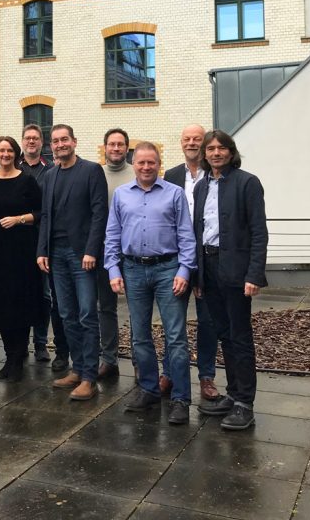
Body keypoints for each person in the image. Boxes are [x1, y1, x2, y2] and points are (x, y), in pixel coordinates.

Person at [106, 142, 196, 425]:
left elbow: (186, 235)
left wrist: (185, 270)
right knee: (140, 336)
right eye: (141, 162)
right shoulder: (121, 195)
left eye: (151, 162)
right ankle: (148, 389)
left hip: (168, 269)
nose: (146, 167)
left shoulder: (174, 193)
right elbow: (112, 234)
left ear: (159, 164)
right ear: (134, 164)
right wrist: (113, 269)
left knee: (175, 336)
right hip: (133, 269)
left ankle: (180, 398)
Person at [194, 130, 268, 430]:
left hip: (236, 270)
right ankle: (234, 393)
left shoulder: (247, 183)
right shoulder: (201, 187)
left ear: (231, 151)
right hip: (208, 267)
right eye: (210, 148)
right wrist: (198, 275)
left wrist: (254, 273)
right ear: (204, 154)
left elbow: (259, 232)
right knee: (223, 334)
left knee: (240, 336)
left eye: (221, 148)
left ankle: (244, 403)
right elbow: (198, 232)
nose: (216, 153)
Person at [37, 124, 108, 402]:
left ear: (74, 142)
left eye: (64, 139)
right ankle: (77, 369)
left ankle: (90, 377)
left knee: (87, 314)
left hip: (82, 256)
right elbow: (45, 215)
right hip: (56, 254)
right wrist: (42, 250)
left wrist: (92, 250)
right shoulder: (50, 175)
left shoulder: (91, 170)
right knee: (66, 314)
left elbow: (99, 212)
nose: (60, 144)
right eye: (55, 141)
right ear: (51, 146)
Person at [0, 136, 45, 382]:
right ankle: (9, 355)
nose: (5, 154)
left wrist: (19, 219)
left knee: (20, 304)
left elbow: (40, 212)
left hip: (22, 251)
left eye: (9, 150)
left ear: (16, 154)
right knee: (2, 305)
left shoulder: (26, 180)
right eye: (1, 150)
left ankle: (18, 358)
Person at [162, 124, 220, 402]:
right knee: (173, 320)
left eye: (197, 138)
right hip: (176, 258)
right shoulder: (172, 175)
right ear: (181, 143)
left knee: (207, 321)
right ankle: (169, 373)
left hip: (208, 258)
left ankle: (206, 376)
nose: (192, 143)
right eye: (187, 139)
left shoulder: (215, 174)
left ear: (204, 143)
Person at [19, 124, 63, 367]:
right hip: (19, 240)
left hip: (43, 238)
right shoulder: (15, 168)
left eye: (35, 138)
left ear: (42, 142)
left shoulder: (51, 169)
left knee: (45, 294)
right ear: (22, 141)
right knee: (22, 292)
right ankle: (21, 343)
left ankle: (41, 343)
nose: (31, 142)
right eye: (28, 138)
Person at [98, 128, 135, 381]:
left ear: (126, 147)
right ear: (105, 147)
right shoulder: (96, 174)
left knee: (138, 309)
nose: (116, 148)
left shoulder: (136, 173)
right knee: (106, 308)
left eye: (120, 144)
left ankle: (140, 362)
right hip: (104, 250)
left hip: (132, 251)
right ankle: (109, 360)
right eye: (112, 144)